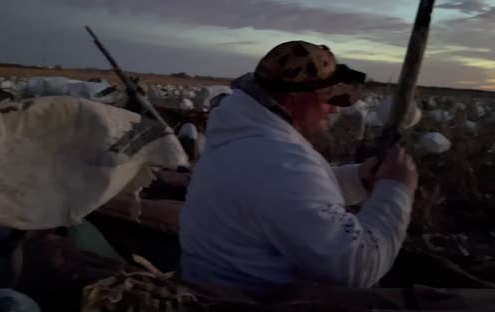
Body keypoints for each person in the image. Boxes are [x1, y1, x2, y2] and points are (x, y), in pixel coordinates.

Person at [178, 41, 418, 293]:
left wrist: (357, 179)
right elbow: (358, 268)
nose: (334, 108)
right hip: (247, 302)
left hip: (212, 281)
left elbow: (280, 196)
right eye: (329, 97)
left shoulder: (241, 134)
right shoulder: (281, 161)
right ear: (294, 99)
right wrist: (397, 189)